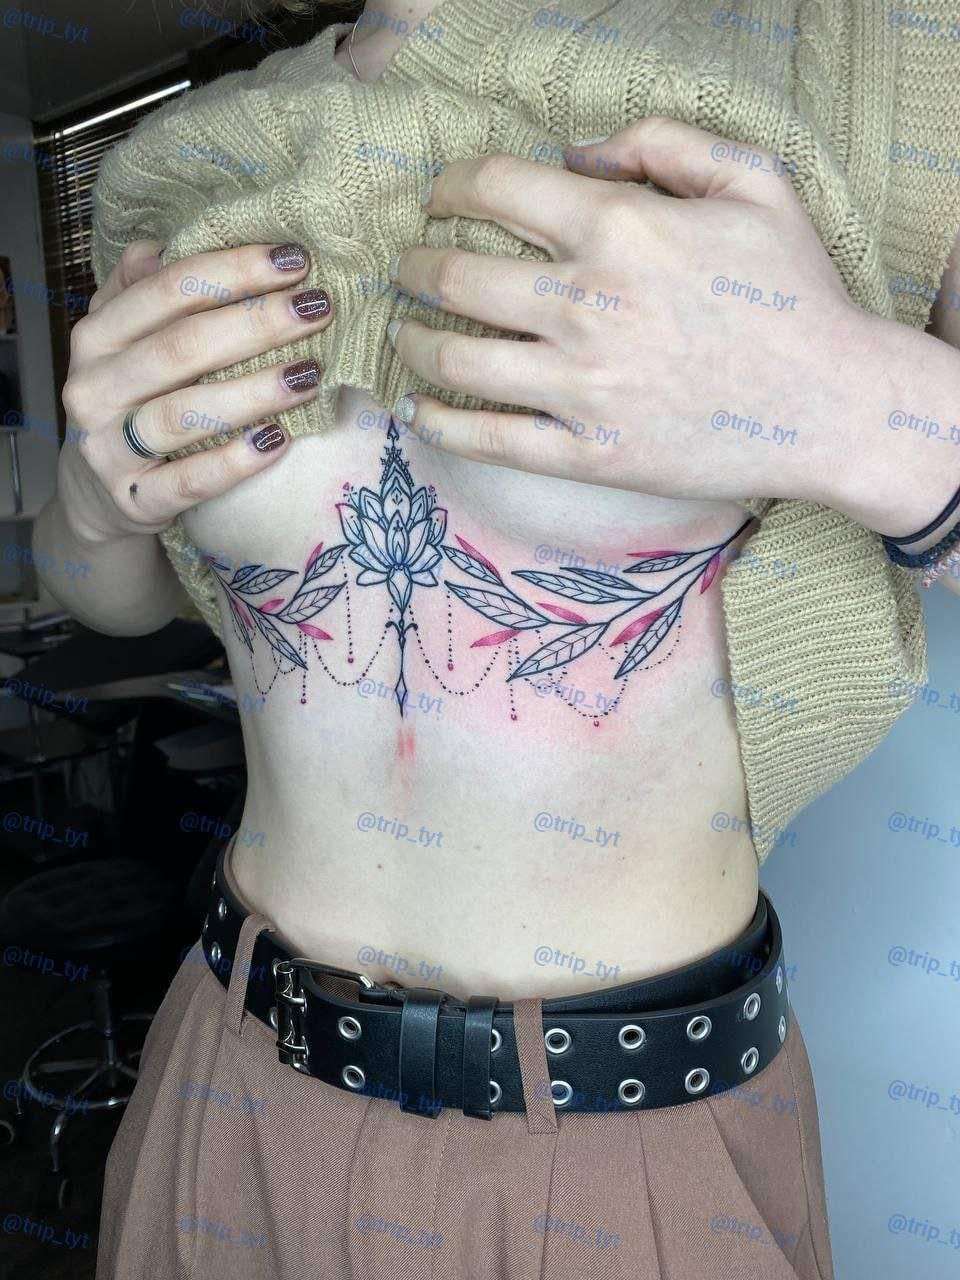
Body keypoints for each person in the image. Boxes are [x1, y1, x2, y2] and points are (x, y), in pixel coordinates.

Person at [31, 1, 960, 1276]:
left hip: (620, 1156)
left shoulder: (884, 52)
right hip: (225, 1090)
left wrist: (857, 402)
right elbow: (119, 591)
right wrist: (89, 507)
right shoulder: (189, 162)